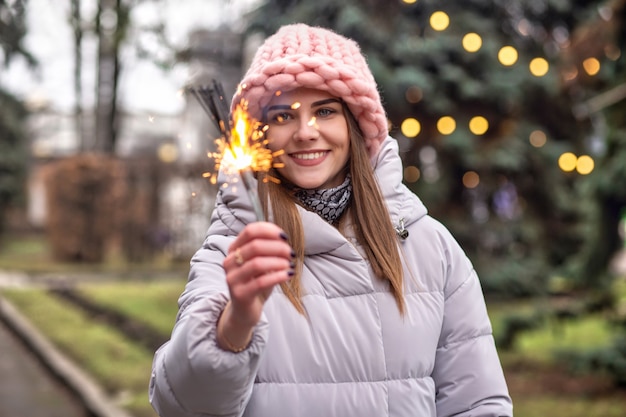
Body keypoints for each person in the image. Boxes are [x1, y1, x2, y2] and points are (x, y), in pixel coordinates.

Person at [149, 23, 513, 417]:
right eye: (284, 116)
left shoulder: (430, 246)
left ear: (355, 125)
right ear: (259, 137)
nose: (306, 132)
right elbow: (180, 404)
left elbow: (478, 404)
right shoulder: (232, 250)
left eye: (325, 111)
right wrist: (236, 322)